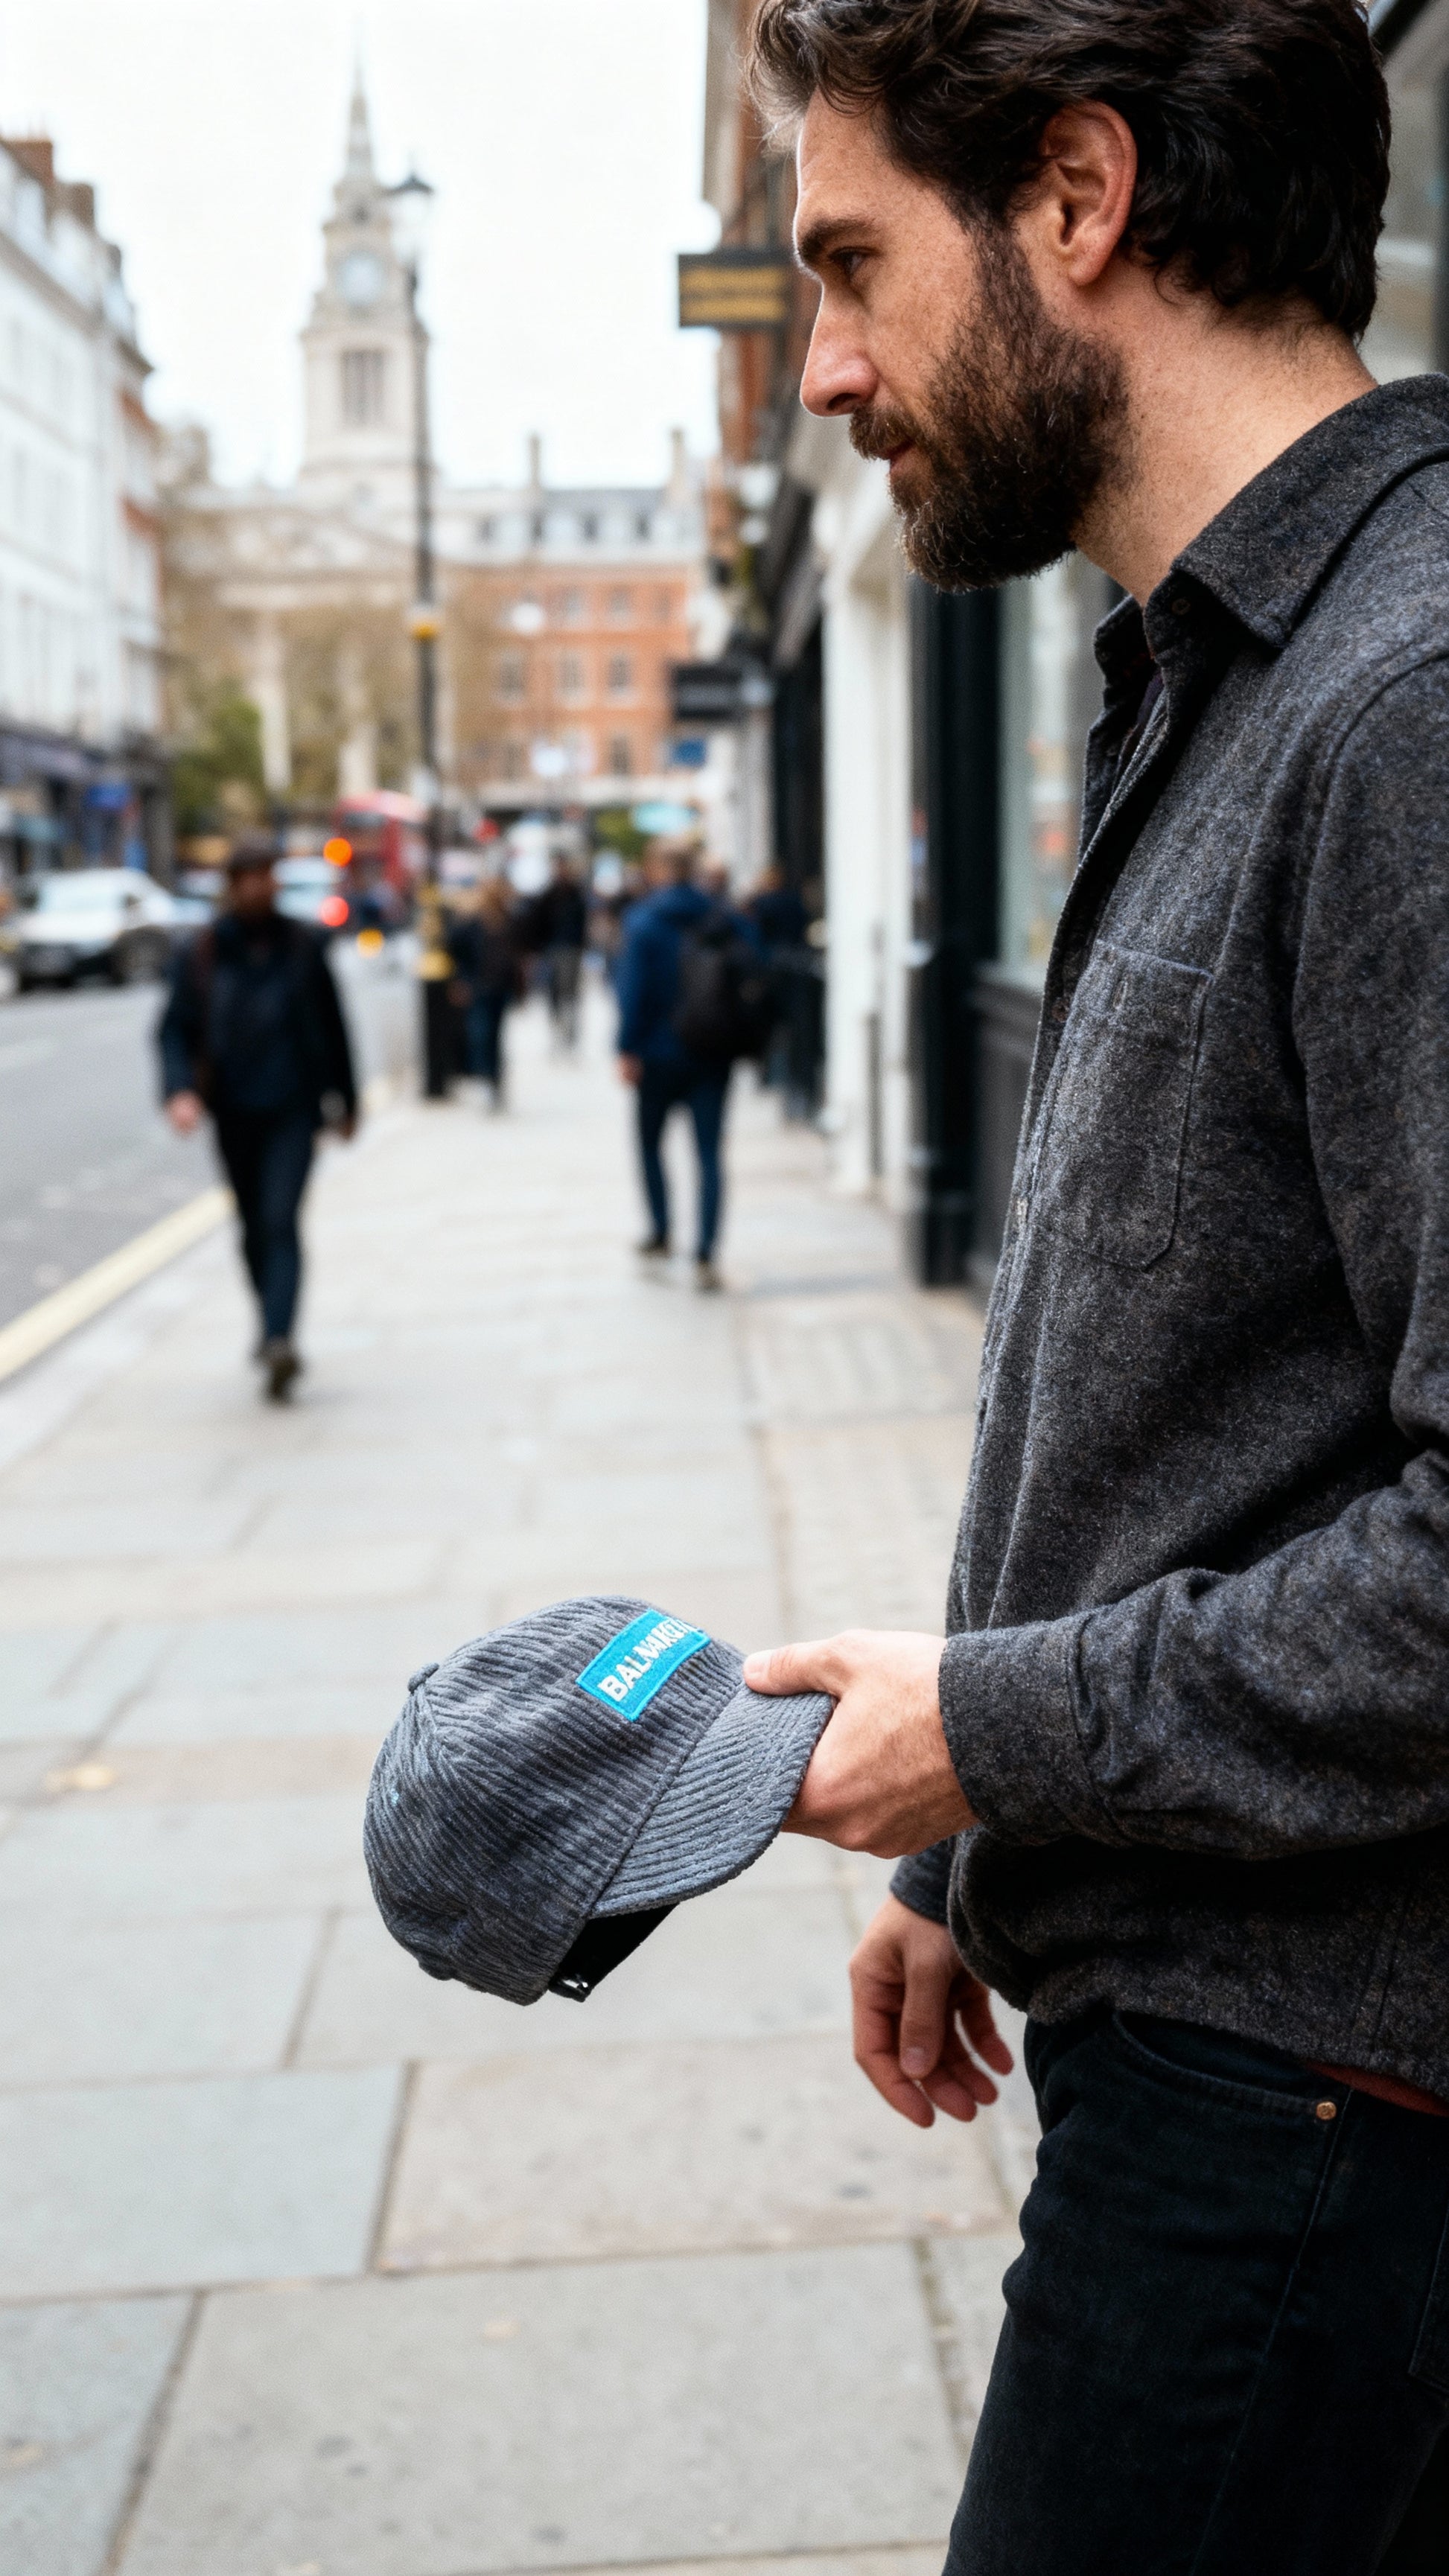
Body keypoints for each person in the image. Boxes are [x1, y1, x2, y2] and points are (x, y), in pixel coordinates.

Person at [738, 1, 1449, 2568]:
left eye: (847, 264)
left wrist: (991, 1731)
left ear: (1071, 193)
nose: (820, 364)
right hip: (1215, 2066)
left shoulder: (1408, 702)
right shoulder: (1235, 670)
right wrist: (977, 1846)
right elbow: (1204, 1383)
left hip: (1318, 2134)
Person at [158, 835, 357, 1400]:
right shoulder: (200, 953)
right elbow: (174, 1028)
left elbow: (333, 1024)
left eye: (268, 876)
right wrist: (179, 1092)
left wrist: (347, 1100)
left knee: (280, 1218)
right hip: (233, 1110)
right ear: (233, 885)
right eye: (250, 877)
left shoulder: (302, 945)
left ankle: (279, 1337)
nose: (260, 887)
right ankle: (269, 1318)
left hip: (294, 1107)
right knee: (250, 1226)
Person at [615, 843, 733, 1291]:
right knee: (709, 1154)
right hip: (712, 1051)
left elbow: (633, 993)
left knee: (650, 1146)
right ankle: (705, 1249)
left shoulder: (643, 922)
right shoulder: (722, 916)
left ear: (658, 870)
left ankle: (662, 1231)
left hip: (658, 1054)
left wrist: (626, 1049)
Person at [448, 876, 521, 1110]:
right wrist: (461, 979)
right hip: (480, 986)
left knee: (495, 1035)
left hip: (500, 987)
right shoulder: (472, 922)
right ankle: (486, 1077)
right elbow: (456, 947)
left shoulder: (509, 920)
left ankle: (495, 1079)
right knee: (481, 1033)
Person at [538, 856, 588, 1048]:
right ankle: (557, 1027)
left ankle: (570, 1034)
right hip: (553, 948)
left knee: (570, 992)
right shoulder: (548, 894)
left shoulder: (575, 893)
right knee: (554, 991)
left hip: (571, 948)